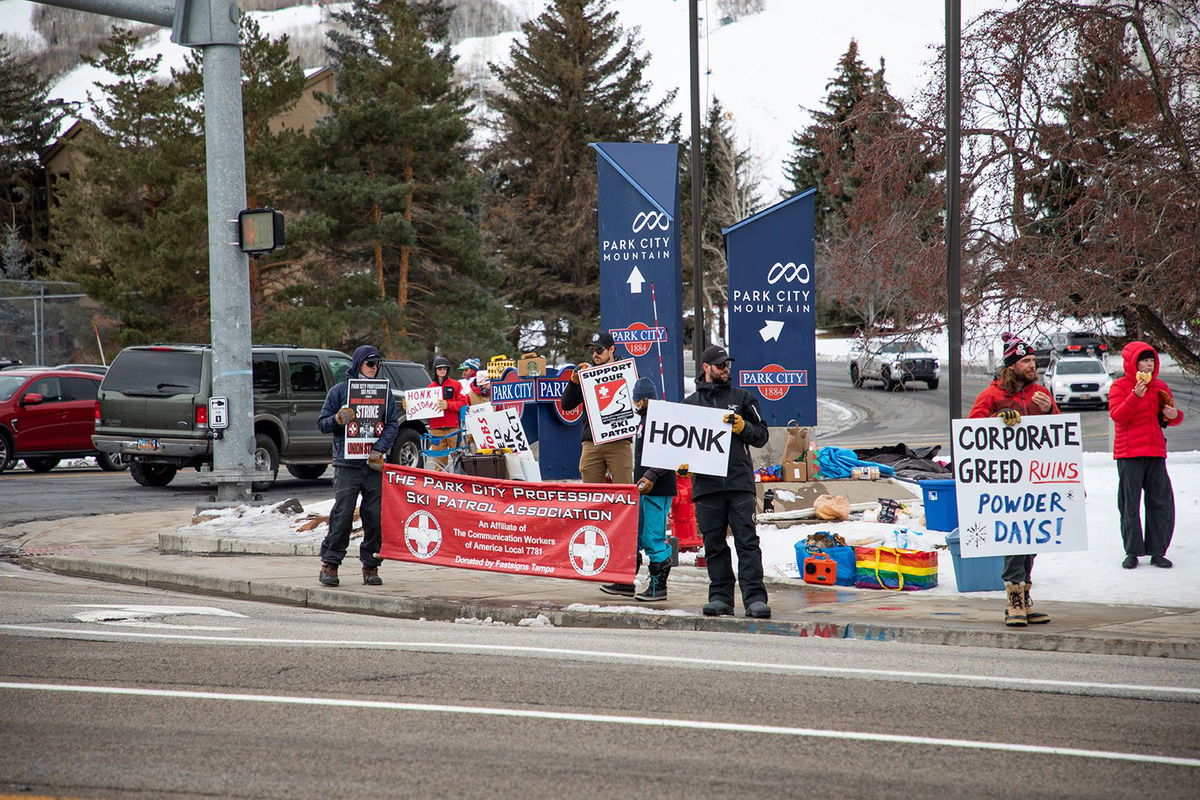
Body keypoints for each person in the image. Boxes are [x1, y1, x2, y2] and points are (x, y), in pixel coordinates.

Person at [968, 332, 1059, 627]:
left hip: (1036, 477)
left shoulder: (1039, 393)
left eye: (1034, 359)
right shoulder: (991, 395)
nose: (1033, 364)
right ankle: (1013, 599)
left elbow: (1058, 432)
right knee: (1014, 537)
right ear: (1012, 365)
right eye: (1027, 360)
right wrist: (997, 420)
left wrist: (1049, 411)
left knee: (1031, 536)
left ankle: (1025, 594)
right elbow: (971, 432)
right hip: (1005, 481)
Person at [684, 345, 771, 619]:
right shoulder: (689, 405)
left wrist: (743, 427)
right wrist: (682, 466)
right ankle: (720, 597)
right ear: (706, 368)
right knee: (714, 544)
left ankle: (755, 598)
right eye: (720, 365)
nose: (726, 369)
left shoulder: (743, 397)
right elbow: (678, 445)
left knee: (747, 541)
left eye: (728, 365)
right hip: (706, 486)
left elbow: (762, 435)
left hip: (738, 482)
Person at [317, 345, 400, 587]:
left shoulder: (384, 393)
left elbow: (392, 424)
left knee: (374, 517)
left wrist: (380, 448)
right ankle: (330, 563)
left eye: (377, 364)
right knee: (342, 515)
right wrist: (337, 419)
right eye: (370, 364)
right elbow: (322, 423)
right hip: (347, 464)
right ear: (358, 364)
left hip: (373, 463)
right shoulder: (340, 391)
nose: (374, 369)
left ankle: (370, 565)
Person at [600, 377, 677, 601]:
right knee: (635, 535)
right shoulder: (644, 420)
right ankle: (625, 581)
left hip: (658, 488)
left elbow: (670, 451)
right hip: (644, 488)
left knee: (653, 537)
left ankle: (658, 586)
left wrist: (652, 476)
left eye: (639, 401)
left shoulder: (661, 419)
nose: (637, 405)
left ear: (645, 399)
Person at [1109, 341, 1183, 569]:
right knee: (1130, 504)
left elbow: (1171, 417)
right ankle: (1132, 551)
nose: (1149, 365)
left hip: (1155, 450)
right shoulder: (1119, 387)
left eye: (1152, 360)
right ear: (1133, 363)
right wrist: (1135, 396)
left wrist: (1174, 414)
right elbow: (1118, 417)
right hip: (1129, 453)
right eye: (1144, 360)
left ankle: (1158, 550)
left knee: (1160, 501)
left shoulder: (1160, 386)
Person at [560, 331, 634, 485]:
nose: (595, 354)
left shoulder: (626, 372)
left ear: (611, 349)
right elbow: (566, 405)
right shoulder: (587, 375)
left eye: (599, 350)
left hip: (618, 441)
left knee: (624, 488)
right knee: (591, 492)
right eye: (592, 350)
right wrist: (573, 383)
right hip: (591, 442)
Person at [426, 355, 468, 468]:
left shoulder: (456, 384)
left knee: (460, 459)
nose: (442, 371)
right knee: (439, 463)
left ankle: (461, 481)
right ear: (435, 370)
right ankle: (440, 484)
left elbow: (464, 402)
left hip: (453, 428)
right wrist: (409, 406)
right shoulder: (429, 388)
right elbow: (422, 408)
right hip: (436, 429)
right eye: (440, 369)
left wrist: (448, 405)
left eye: (445, 368)